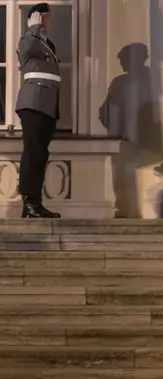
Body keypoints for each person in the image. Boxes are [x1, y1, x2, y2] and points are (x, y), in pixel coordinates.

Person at [15, 2, 61, 218]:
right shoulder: (29, 39)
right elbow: (24, 50)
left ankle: (35, 203)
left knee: (40, 154)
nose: (49, 21)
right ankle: (29, 202)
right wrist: (32, 29)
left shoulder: (46, 44)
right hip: (33, 104)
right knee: (33, 153)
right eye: (46, 16)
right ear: (38, 17)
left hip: (46, 105)